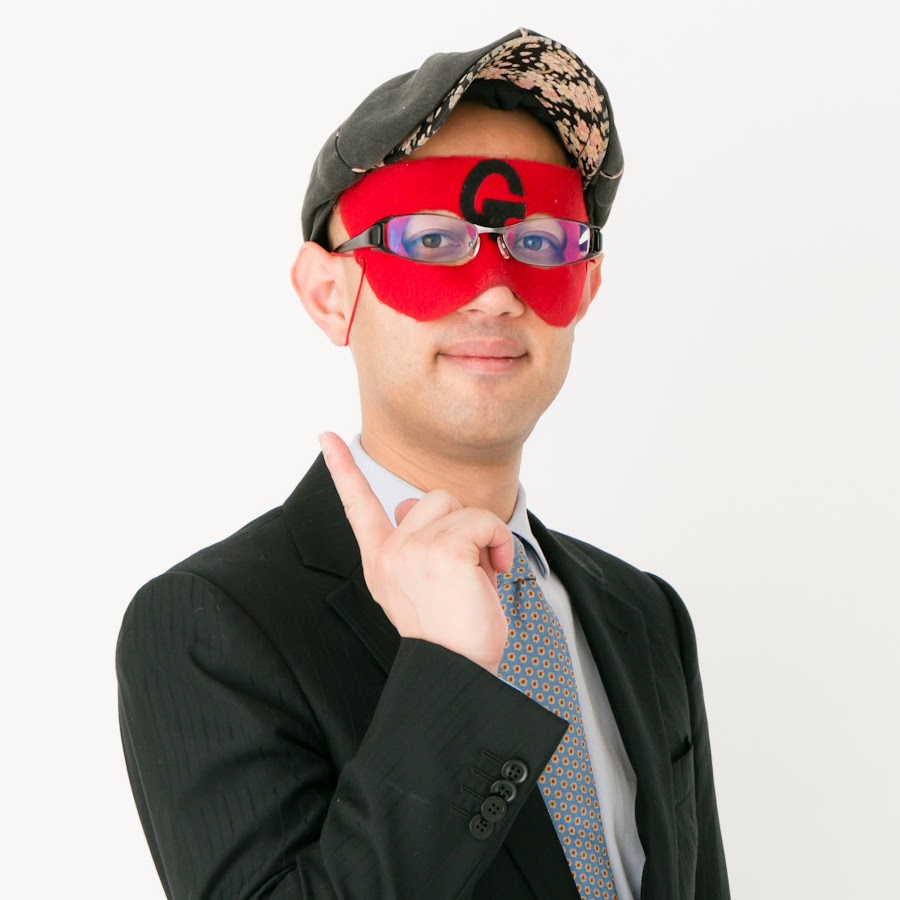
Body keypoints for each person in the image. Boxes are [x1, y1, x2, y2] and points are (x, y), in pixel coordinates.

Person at [117, 28, 729, 900]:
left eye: (541, 241)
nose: (498, 291)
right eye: (434, 240)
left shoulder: (647, 617)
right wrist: (449, 677)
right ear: (330, 295)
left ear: (586, 288)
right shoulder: (210, 626)